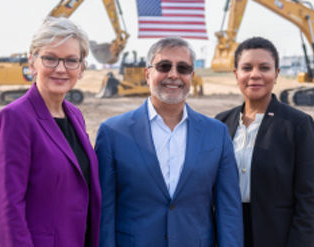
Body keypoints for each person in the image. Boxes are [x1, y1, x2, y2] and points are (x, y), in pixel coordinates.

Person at [95, 37, 243, 247]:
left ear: (191, 75)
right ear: (148, 74)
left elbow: (228, 209)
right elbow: (104, 211)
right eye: (164, 66)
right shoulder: (112, 133)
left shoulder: (217, 134)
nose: (173, 74)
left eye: (182, 68)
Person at [0, 17, 101, 247]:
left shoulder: (75, 116)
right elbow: (7, 210)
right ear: (32, 63)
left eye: (71, 61)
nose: (60, 69)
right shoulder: (14, 119)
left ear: (81, 68)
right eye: (50, 58)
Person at [215, 37, 314, 247]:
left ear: (276, 73)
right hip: (227, 233)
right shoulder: (220, 123)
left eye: (264, 67)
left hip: (275, 235)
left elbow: (308, 199)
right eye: (247, 68)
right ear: (237, 74)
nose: (255, 74)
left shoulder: (297, 124)